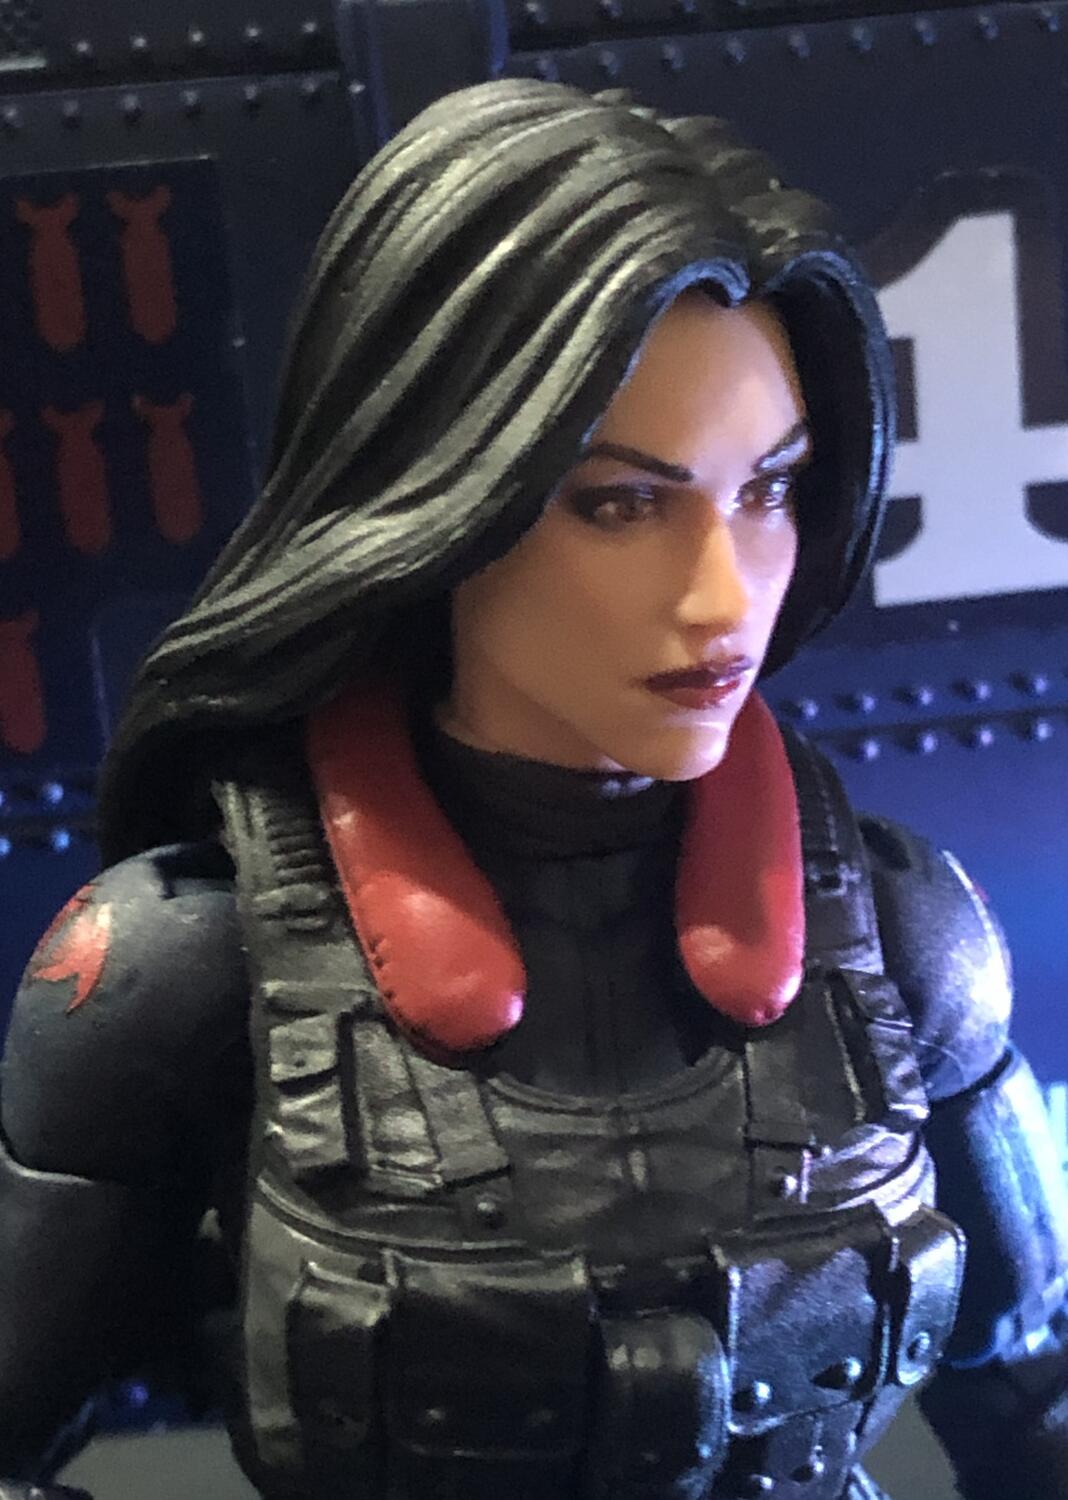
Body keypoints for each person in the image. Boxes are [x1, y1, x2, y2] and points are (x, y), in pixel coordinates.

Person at [1, 79, 1066, 1500]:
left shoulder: (907, 940)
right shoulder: (179, 968)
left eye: (770, 490)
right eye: (619, 503)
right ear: (440, 499)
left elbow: (1033, 1390)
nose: (725, 597)